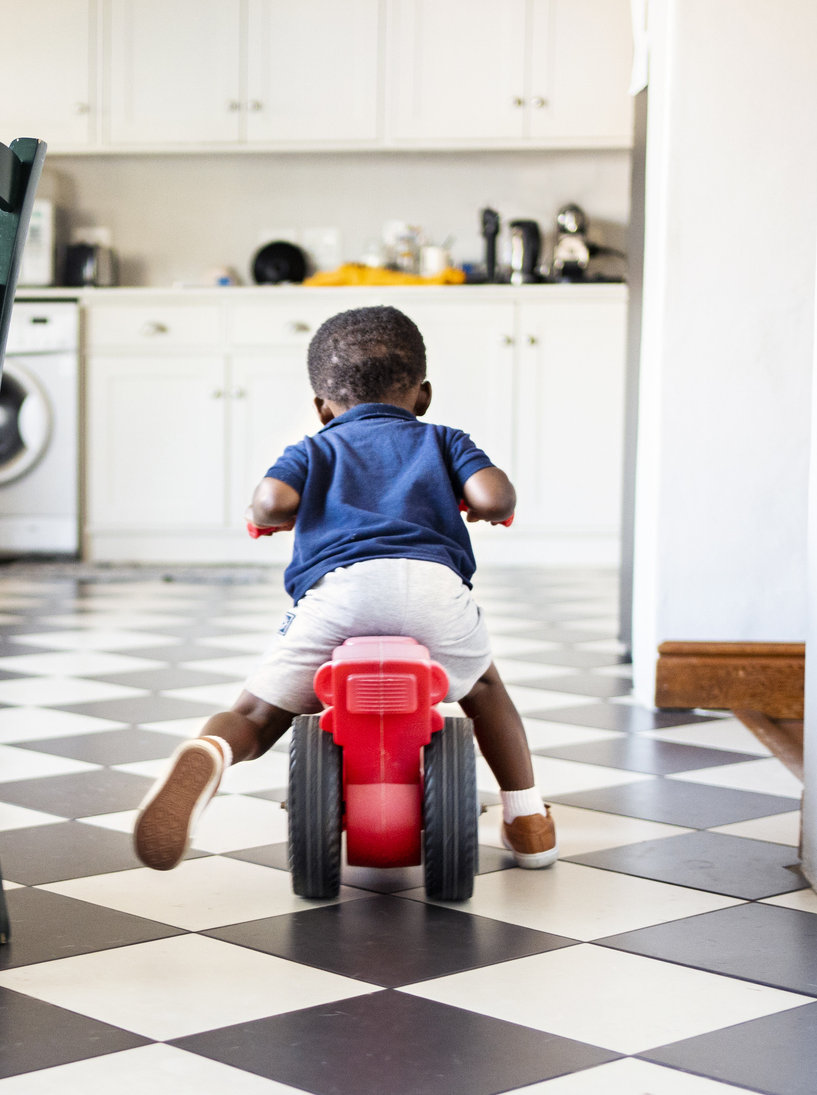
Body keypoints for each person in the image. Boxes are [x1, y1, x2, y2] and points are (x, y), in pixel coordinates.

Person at [130, 305, 556, 872]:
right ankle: (526, 819)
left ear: (321, 407)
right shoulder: (444, 439)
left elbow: (270, 502)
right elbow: (495, 498)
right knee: (485, 691)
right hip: (433, 592)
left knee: (257, 712)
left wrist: (274, 518)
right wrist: (476, 507)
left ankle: (209, 753)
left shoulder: (314, 447)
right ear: (422, 396)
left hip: (340, 596)